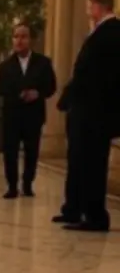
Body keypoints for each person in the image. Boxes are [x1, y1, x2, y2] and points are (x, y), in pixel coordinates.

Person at [64, 0, 120, 232]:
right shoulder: (100, 31)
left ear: (99, 6)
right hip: (88, 109)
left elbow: (96, 74)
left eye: (89, 6)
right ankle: (76, 209)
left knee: (93, 164)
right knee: (80, 161)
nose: (88, 11)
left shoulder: (112, 32)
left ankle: (95, 216)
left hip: (96, 112)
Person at [0, 23, 57, 199]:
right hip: (12, 114)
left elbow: (51, 86)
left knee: (31, 151)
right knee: (10, 151)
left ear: (31, 40)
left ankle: (28, 183)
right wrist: (17, 94)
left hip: (33, 114)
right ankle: (12, 186)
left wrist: (38, 93)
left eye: (23, 36)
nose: (19, 40)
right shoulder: (6, 65)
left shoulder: (43, 63)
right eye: (16, 37)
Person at [53, 80, 82, 224]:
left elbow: (62, 104)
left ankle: (74, 210)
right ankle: (74, 209)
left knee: (77, 171)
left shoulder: (82, 78)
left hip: (82, 128)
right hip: (89, 127)